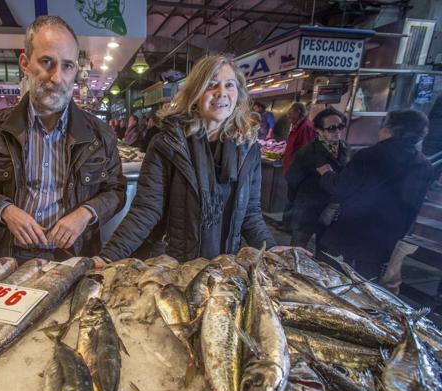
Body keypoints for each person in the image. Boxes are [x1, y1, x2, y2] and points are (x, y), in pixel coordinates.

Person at [0, 15, 126, 264]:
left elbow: (116, 190)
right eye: (47, 62)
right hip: (8, 254)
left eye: (67, 66)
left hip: (73, 255)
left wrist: (85, 214)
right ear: (25, 63)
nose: (57, 77)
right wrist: (4, 210)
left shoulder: (100, 134)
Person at [97, 54, 285, 264]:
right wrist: (108, 256)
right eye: (211, 85)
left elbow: (250, 215)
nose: (221, 93)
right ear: (196, 92)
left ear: (238, 93)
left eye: (229, 85)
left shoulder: (248, 148)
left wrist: (274, 250)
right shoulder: (168, 143)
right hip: (177, 266)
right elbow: (146, 210)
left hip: (225, 267)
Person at [316, 109, 434, 279]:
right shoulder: (424, 165)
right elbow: (412, 209)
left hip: (350, 235)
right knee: (367, 286)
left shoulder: (369, 155)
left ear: (388, 130)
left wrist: (326, 174)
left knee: (331, 280)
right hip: (383, 241)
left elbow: (341, 189)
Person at [285, 107, 350, 251]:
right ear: (319, 130)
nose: (337, 131)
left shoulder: (345, 148)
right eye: (332, 128)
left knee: (326, 253)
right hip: (307, 210)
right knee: (297, 250)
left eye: (340, 127)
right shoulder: (307, 152)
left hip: (331, 210)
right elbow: (292, 179)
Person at [282, 102, 315, 174]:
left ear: (298, 112)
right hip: (291, 167)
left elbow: (306, 152)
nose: (289, 116)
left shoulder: (306, 127)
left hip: (297, 171)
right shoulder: (298, 125)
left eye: (291, 114)